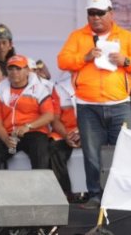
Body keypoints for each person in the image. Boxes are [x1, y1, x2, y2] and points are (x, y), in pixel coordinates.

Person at [57, 0, 131, 209]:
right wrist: (84, 57)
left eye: (100, 13)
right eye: (91, 13)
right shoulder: (78, 37)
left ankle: (124, 196)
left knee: (124, 153)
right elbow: (62, 60)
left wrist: (125, 60)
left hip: (119, 105)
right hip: (89, 106)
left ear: (110, 13)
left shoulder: (125, 37)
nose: (96, 17)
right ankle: (96, 195)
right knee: (92, 153)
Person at [0, 55, 54, 171]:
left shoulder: (39, 88)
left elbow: (49, 115)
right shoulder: (0, 90)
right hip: (11, 136)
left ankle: (40, 188)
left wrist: (28, 126)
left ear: (27, 71)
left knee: (40, 154)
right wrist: (6, 139)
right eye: (11, 69)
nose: (14, 72)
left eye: (18, 69)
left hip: (34, 132)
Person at [49, 73, 82, 202]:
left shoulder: (95, 85)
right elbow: (55, 120)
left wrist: (83, 134)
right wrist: (66, 136)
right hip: (65, 132)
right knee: (53, 149)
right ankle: (65, 193)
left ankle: (95, 193)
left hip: (90, 131)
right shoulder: (59, 87)